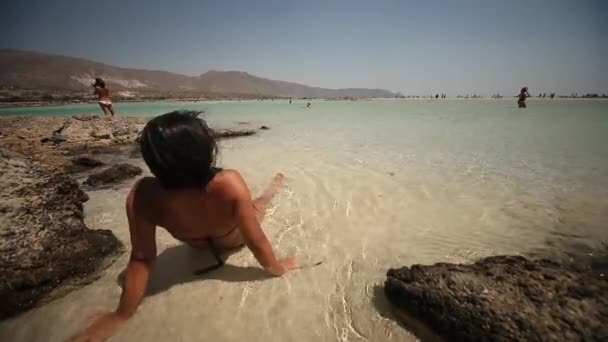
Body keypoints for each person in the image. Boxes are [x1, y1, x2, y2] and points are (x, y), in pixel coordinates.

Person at [69, 111, 297, 342]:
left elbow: (141, 259)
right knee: (258, 205)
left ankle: (272, 188)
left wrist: (121, 315)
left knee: (258, 203)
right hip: (234, 239)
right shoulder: (228, 183)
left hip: (196, 245)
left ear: (152, 160)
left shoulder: (143, 195)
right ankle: (273, 187)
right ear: (206, 152)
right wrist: (278, 268)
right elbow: (255, 241)